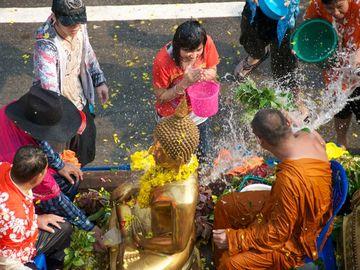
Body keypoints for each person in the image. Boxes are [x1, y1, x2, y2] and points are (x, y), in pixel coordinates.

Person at [212, 108, 332, 269]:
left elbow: (278, 234)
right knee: (225, 204)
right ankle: (217, 261)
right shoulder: (309, 136)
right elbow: (305, 127)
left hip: (299, 234)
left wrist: (234, 239)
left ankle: (225, 261)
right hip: (288, 205)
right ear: (288, 123)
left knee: (231, 263)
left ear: (261, 141)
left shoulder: (289, 180)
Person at [0, 85, 104, 249]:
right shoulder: (26, 164)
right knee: (63, 228)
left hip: (12, 189)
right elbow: (56, 198)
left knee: (70, 179)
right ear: (38, 176)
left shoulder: (22, 114)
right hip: (9, 225)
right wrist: (90, 227)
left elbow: (38, 138)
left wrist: (60, 164)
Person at [109, 99, 200, 269]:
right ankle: (125, 240)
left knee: (125, 267)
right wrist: (132, 185)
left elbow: (177, 244)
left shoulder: (183, 197)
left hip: (165, 244)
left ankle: (126, 242)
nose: (152, 151)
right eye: (154, 144)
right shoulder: (168, 167)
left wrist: (139, 242)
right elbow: (149, 181)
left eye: (159, 151)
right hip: (147, 220)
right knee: (118, 198)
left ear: (178, 159)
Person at [33, 0, 109, 166]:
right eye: (69, 24)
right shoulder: (46, 44)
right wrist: (73, 121)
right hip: (59, 113)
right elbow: (50, 92)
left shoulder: (79, 27)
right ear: (55, 17)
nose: (75, 28)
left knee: (83, 152)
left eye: (79, 22)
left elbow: (87, 51)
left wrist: (98, 80)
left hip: (79, 99)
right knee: (61, 162)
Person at [152, 20, 219, 168]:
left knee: (205, 157)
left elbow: (213, 70)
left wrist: (206, 75)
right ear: (177, 47)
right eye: (188, 51)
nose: (194, 56)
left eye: (198, 50)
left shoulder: (207, 43)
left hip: (198, 111)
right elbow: (161, 97)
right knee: (173, 161)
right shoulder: (162, 62)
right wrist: (184, 83)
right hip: (171, 117)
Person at [0, 146, 72, 270]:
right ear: (39, 177)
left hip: (15, 233)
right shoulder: (17, 218)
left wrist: (35, 219)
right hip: (14, 258)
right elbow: (6, 262)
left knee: (64, 227)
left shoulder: (3, 167)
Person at [305, 0, 360, 148]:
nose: (335, 13)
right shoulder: (316, 4)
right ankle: (341, 143)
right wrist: (305, 46)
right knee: (341, 107)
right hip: (336, 69)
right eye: (329, 8)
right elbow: (310, 28)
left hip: (357, 65)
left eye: (340, 7)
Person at [234, 0, 299, 86]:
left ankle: (285, 85)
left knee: (283, 55)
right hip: (256, 9)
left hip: (285, 14)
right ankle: (255, 56)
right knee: (252, 40)